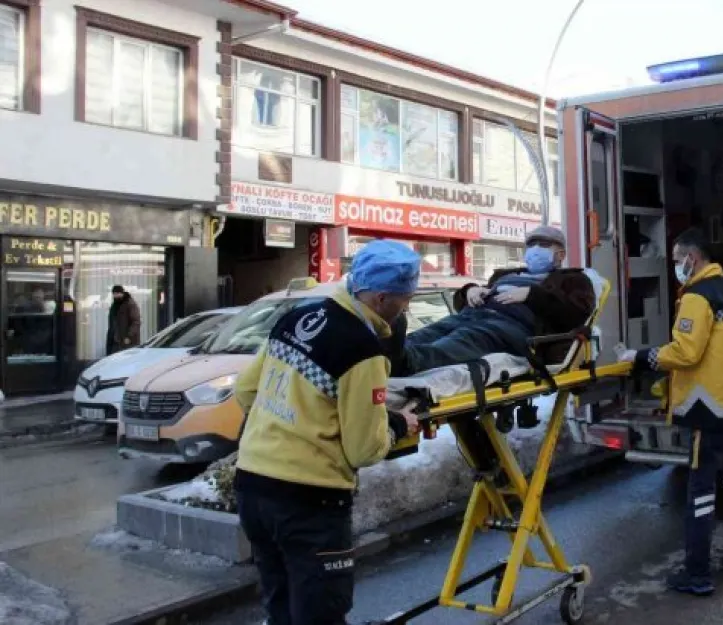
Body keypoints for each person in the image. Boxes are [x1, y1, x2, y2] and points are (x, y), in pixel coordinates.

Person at [232, 240, 423, 625]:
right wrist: (398, 424)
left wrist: (293, 423)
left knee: (281, 606)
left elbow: (246, 391)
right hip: (309, 504)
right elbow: (364, 450)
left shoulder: (296, 317)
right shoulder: (364, 350)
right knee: (320, 613)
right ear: (383, 298)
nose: (407, 307)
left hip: (253, 486)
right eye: (406, 299)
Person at [618, 227, 723, 597]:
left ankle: (697, 573)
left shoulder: (698, 297)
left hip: (708, 410)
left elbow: (685, 353)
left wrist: (639, 358)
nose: (678, 266)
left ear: (692, 259)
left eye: (679, 260)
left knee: (701, 489)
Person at [392, 225, 595, 376]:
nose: (534, 249)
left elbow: (576, 313)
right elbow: (462, 303)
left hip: (515, 327)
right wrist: (470, 291)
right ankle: (385, 355)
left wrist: (532, 295)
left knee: (465, 338)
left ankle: (409, 362)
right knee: (436, 329)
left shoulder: (573, 279)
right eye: (531, 244)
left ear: (560, 254)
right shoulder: (506, 275)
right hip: (475, 314)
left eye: (543, 245)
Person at [106, 285, 141, 354]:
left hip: (127, 341)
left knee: (126, 361)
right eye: (114, 294)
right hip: (115, 340)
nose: (115, 296)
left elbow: (136, 322)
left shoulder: (130, 304)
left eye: (117, 293)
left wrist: (129, 336)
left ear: (122, 293)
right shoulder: (114, 305)